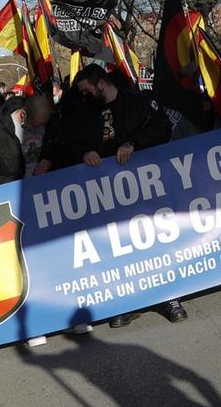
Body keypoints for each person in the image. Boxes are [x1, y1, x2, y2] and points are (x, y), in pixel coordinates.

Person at [66, 63, 187, 326]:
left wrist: (135, 144)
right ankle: (131, 301)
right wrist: (85, 152)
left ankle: (171, 297)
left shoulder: (138, 101)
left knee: (155, 239)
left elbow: (162, 128)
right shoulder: (85, 112)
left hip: (145, 182)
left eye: (87, 90)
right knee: (120, 245)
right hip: (108, 189)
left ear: (101, 84)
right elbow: (71, 139)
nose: (84, 96)